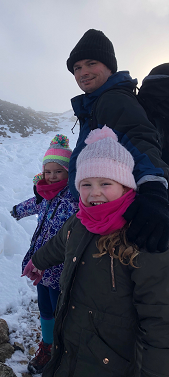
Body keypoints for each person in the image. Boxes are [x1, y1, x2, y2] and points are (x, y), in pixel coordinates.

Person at [23, 126, 169, 376]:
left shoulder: (143, 234)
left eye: (106, 183)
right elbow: (61, 242)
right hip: (70, 348)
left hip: (113, 363)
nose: (95, 193)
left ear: (125, 185)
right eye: (86, 184)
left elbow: (160, 320)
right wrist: (39, 260)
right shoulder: (80, 220)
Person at [66, 29, 169, 253]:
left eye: (91, 64)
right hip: (99, 207)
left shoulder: (112, 99)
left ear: (109, 67)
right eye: (77, 68)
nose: (83, 72)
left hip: (115, 213)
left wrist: (154, 190)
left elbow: (138, 138)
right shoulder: (95, 103)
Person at [11, 134, 78, 374]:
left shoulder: (73, 198)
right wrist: (18, 210)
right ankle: (47, 346)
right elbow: (34, 203)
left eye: (57, 171)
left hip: (61, 267)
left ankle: (63, 348)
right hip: (40, 265)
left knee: (61, 309)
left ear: (68, 173)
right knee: (45, 309)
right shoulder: (45, 194)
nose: (51, 176)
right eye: (47, 171)